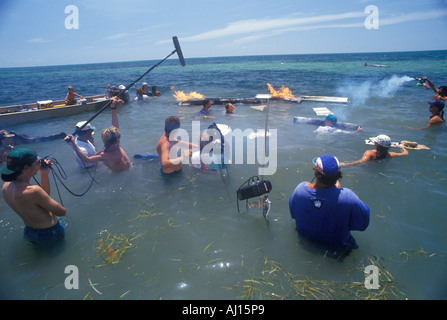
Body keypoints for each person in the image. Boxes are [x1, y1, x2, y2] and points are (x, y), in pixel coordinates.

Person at [289, 154, 370, 257]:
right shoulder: (349, 197)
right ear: (338, 175)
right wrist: (338, 193)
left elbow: (293, 214)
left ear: (315, 172)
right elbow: (362, 225)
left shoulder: (299, 190)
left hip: (305, 242)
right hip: (337, 251)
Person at [1, 148, 66, 247]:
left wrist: (44, 174)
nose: (39, 164)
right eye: (37, 162)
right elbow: (61, 212)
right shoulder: (33, 191)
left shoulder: (5, 186)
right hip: (49, 233)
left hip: (30, 232)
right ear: (26, 168)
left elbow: (41, 200)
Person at [64, 97, 131, 172]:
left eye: (118, 136)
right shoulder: (103, 155)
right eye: (116, 138)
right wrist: (73, 144)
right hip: (119, 176)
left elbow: (115, 126)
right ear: (110, 141)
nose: (118, 140)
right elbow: (86, 160)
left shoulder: (117, 145)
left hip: (130, 169)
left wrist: (113, 108)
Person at [340, 134, 408, 166]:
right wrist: (401, 147)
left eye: (375, 142)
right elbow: (405, 153)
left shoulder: (369, 153)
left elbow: (360, 162)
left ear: (377, 144)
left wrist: (345, 164)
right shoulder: (389, 155)